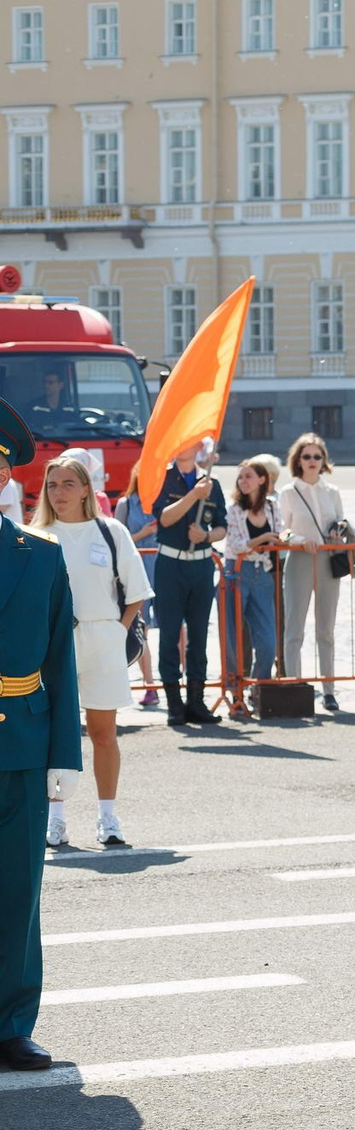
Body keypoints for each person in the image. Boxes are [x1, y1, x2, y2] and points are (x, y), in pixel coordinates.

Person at [0, 398, 84, 1071]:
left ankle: (11, 1021)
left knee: (19, 886)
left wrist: (63, 756)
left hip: (22, 745)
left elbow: (60, 660)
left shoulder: (40, 557)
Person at [31, 451, 149, 850]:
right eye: (52, 484)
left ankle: (108, 816)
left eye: (68, 484)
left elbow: (136, 592)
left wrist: (117, 633)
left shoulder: (111, 531)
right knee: (55, 734)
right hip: (52, 646)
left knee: (103, 733)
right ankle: (56, 818)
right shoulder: (36, 534)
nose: (59, 492)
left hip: (103, 641)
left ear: (86, 490)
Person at [152, 438, 227, 726]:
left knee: (199, 636)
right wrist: (193, 497)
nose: (183, 444)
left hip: (201, 566)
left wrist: (207, 536)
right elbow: (165, 518)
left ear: (199, 447)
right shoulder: (164, 478)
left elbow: (221, 526)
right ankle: (174, 703)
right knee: (169, 635)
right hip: (170, 565)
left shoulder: (211, 483)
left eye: (191, 440)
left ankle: (197, 701)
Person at [273, 432, 349, 710]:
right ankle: (295, 685)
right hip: (299, 559)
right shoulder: (288, 492)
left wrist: (338, 530)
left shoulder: (332, 492)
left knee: (326, 629)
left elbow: (341, 520)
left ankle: (329, 689)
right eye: (307, 456)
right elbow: (282, 529)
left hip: (329, 558)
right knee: (294, 628)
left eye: (318, 456)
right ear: (298, 460)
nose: (313, 461)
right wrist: (297, 541)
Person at [218, 453, 288, 711]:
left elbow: (278, 533)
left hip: (263, 574)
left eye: (248, 476)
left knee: (268, 639)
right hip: (236, 573)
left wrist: (280, 539)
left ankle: (261, 689)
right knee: (234, 637)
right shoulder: (234, 510)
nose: (242, 481)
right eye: (240, 477)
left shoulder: (272, 506)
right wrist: (262, 540)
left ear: (262, 480)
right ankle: (235, 694)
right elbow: (235, 545)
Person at [114, 475, 160, 710]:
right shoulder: (126, 503)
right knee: (141, 629)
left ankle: (168, 685)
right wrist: (142, 534)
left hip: (161, 570)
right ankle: (149, 684)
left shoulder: (164, 501)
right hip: (134, 573)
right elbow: (116, 543)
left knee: (173, 627)